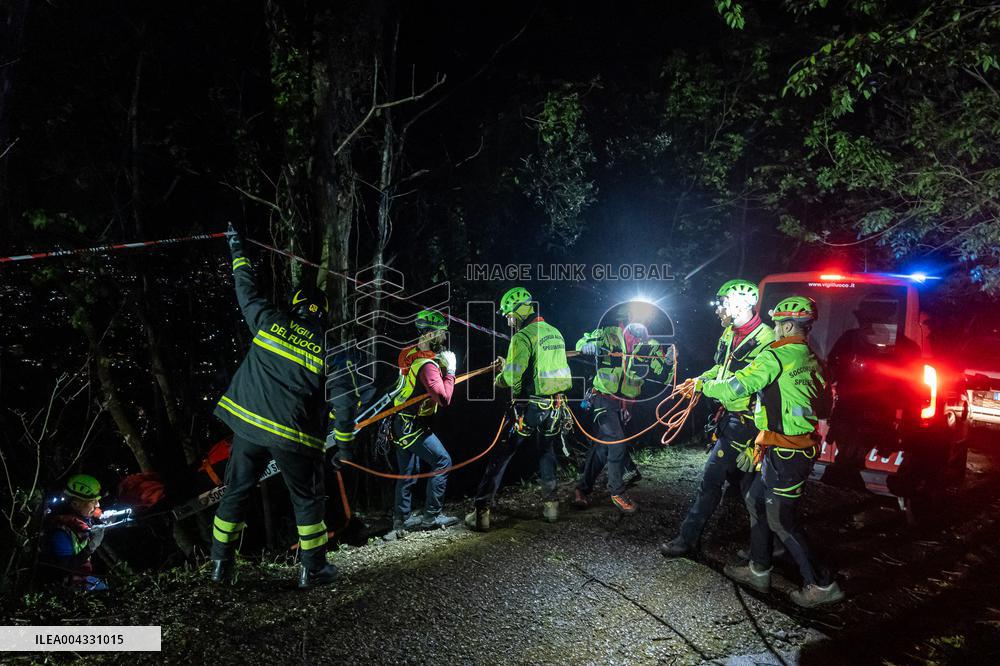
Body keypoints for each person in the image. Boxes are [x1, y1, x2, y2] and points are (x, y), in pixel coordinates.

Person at [210, 225, 351, 589]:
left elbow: (245, 290)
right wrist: (346, 445)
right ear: (321, 313)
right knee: (306, 501)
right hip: (293, 438)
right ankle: (312, 569)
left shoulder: (271, 322)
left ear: (295, 307)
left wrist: (237, 248)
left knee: (236, 493)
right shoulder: (329, 348)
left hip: (247, 430)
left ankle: (220, 568)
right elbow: (345, 400)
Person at [690, 295, 844, 607]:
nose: (774, 329)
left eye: (776, 324)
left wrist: (702, 386)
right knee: (755, 499)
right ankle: (759, 569)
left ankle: (821, 584)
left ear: (787, 325)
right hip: (788, 447)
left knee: (781, 519)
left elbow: (737, 386)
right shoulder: (814, 359)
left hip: (788, 452)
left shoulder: (775, 355)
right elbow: (825, 406)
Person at [661, 279, 773, 556]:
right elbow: (721, 368)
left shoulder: (766, 339)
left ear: (742, 303)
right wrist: (699, 379)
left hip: (747, 423)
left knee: (712, 481)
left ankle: (687, 541)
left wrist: (704, 387)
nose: (717, 309)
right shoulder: (729, 334)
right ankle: (768, 550)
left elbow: (744, 383)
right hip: (732, 418)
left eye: (722, 303)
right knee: (751, 492)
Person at [465, 286, 573, 531]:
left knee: (501, 455)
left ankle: (481, 512)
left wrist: (498, 379)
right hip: (554, 408)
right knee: (546, 452)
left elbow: (514, 376)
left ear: (519, 310)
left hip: (529, 409)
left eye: (509, 315)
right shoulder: (554, 332)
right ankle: (551, 506)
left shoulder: (522, 337)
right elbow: (539, 366)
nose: (508, 320)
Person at [572, 312, 674, 514]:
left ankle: (581, 489)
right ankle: (616, 492)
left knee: (602, 450)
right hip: (601, 398)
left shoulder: (651, 344)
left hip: (624, 404)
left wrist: (669, 363)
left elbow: (662, 374)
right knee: (617, 441)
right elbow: (582, 341)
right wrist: (586, 345)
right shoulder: (608, 333)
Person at [387, 310, 460, 537]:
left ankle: (401, 521)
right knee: (443, 461)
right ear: (429, 334)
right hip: (412, 425)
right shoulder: (427, 366)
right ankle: (432, 515)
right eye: (441, 333)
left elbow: (415, 364)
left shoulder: (408, 354)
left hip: (399, 422)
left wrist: (438, 362)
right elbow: (444, 397)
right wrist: (451, 372)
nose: (445, 339)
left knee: (408, 471)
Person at [39, 474, 109, 591]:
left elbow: (93, 516)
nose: (98, 505)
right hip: (65, 586)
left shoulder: (80, 520)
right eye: (93, 501)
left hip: (80, 578)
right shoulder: (60, 532)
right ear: (76, 504)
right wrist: (92, 545)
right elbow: (64, 569)